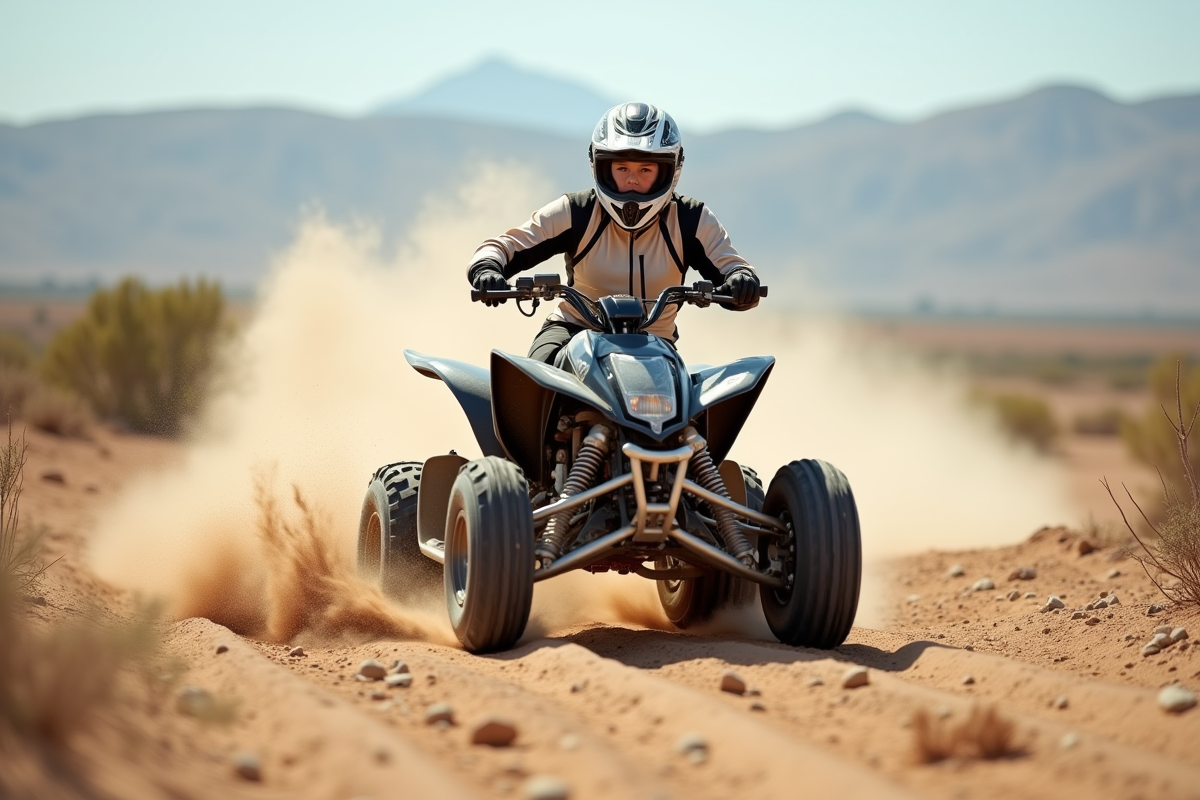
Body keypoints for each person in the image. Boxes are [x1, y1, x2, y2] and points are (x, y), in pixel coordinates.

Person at [467, 102, 761, 364]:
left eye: (646, 169)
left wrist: (741, 281)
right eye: (621, 167)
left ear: (670, 170)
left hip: (657, 347)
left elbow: (733, 266)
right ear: (601, 166)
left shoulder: (691, 219)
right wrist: (487, 268)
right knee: (532, 378)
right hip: (574, 332)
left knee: (699, 408)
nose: (632, 179)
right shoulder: (576, 211)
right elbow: (503, 246)